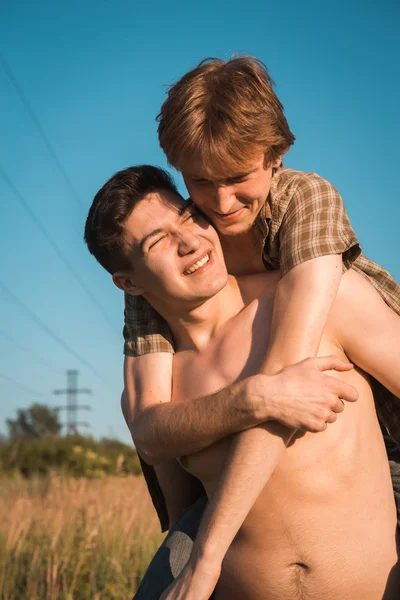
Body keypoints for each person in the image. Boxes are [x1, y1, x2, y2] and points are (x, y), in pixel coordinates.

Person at [84, 167, 400, 599]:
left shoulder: (326, 301)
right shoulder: (163, 393)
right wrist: (252, 399)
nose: (190, 241)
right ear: (128, 283)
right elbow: (185, 518)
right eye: (158, 242)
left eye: (188, 216)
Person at [121, 57, 400, 539]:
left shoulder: (305, 199)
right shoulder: (176, 250)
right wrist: (186, 538)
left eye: (237, 177)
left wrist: (208, 555)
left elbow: (286, 371)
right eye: (201, 181)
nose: (222, 203)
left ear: (276, 156)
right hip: (232, 467)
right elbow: (147, 423)